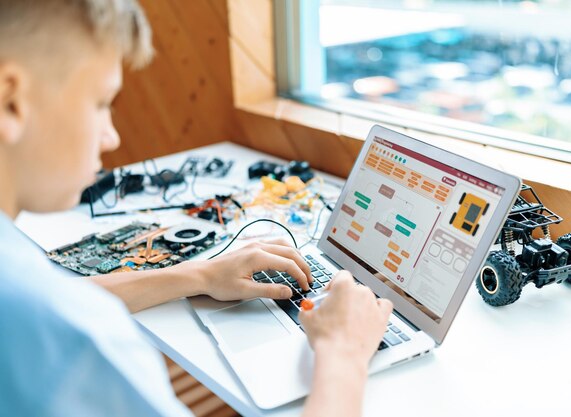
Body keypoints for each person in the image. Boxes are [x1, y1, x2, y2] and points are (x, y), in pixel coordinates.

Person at [0, 1, 393, 416]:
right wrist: (343, 354)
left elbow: (63, 294)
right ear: (11, 101)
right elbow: (57, 308)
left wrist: (200, 273)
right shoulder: (73, 339)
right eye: (101, 103)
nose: (111, 137)